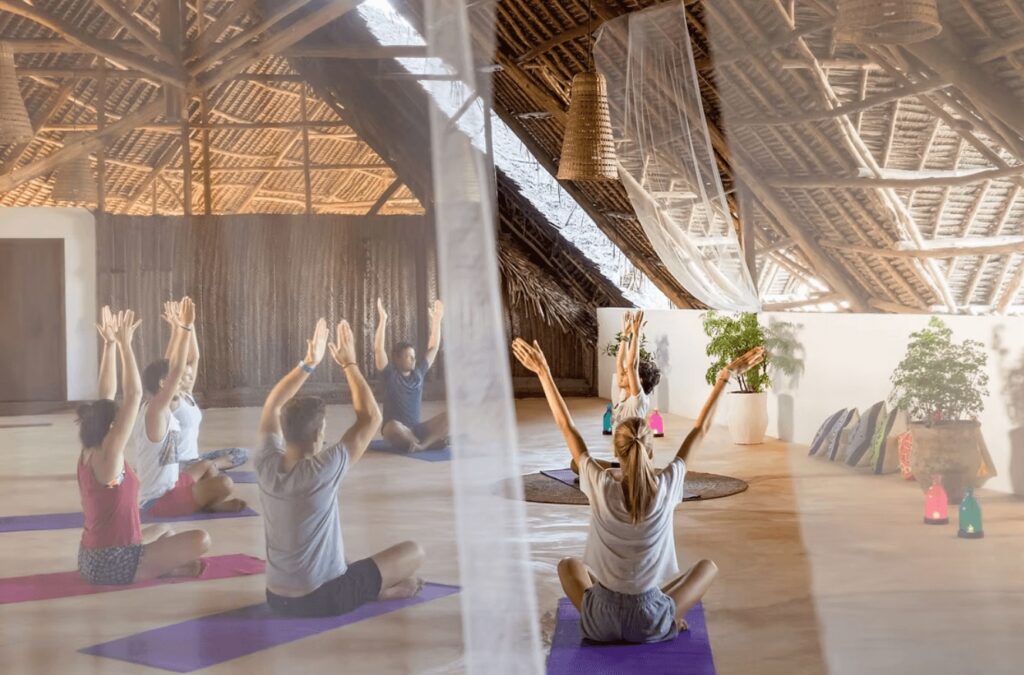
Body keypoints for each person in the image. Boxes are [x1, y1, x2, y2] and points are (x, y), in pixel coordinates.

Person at [512, 336, 764, 644]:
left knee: (568, 566)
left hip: (600, 621)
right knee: (706, 568)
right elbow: (700, 430)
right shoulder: (668, 485)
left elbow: (568, 428)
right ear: (650, 449)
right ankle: (668, 615)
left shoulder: (600, 484)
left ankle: (649, 609)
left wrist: (544, 373)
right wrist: (725, 376)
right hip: (650, 622)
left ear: (617, 454)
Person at [256, 317, 425, 617]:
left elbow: (272, 405)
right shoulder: (322, 469)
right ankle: (377, 593)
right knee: (413, 553)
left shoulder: (266, 463)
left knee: (346, 560)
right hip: (321, 599)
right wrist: (349, 365)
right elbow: (370, 419)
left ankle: (368, 585)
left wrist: (308, 363)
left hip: (275, 597)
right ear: (317, 435)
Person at [78, 307, 209, 586]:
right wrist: (127, 345)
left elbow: (106, 396)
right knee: (201, 540)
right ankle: (160, 569)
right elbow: (134, 395)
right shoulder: (111, 455)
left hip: (91, 558)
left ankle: (164, 567)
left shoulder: (89, 451)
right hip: (113, 563)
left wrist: (110, 345)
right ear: (111, 428)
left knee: (163, 530)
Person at [134, 297, 246, 517]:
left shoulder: (161, 405)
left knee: (206, 466)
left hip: (174, 482)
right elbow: (175, 367)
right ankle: (209, 502)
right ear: (163, 385)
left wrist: (183, 328)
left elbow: (177, 364)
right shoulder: (157, 410)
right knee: (225, 484)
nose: (183, 378)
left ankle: (209, 503)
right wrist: (183, 327)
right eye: (175, 378)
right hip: (159, 502)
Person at [149, 299, 248, 471]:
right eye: (183, 375)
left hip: (193, 459)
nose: (189, 377)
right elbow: (170, 364)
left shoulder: (186, 394)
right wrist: (181, 329)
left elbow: (194, 358)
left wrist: (189, 324)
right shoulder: (169, 400)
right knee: (217, 475)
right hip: (176, 465)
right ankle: (205, 468)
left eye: (189, 375)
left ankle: (206, 466)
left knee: (241, 453)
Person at [374, 297, 448, 452]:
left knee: (450, 416)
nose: (414, 359)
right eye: (409, 356)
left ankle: (422, 445)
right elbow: (378, 350)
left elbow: (433, 347)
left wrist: (436, 320)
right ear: (397, 358)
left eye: (414, 356)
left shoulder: (418, 373)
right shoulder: (390, 375)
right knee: (392, 426)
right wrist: (383, 320)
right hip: (396, 432)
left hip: (416, 429)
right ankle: (425, 443)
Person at [612, 310, 661, 430]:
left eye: (626, 374)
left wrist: (636, 335)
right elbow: (620, 363)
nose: (622, 374)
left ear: (639, 380)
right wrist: (625, 334)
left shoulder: (639, 400)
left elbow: (631, 365)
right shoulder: (625, 394)